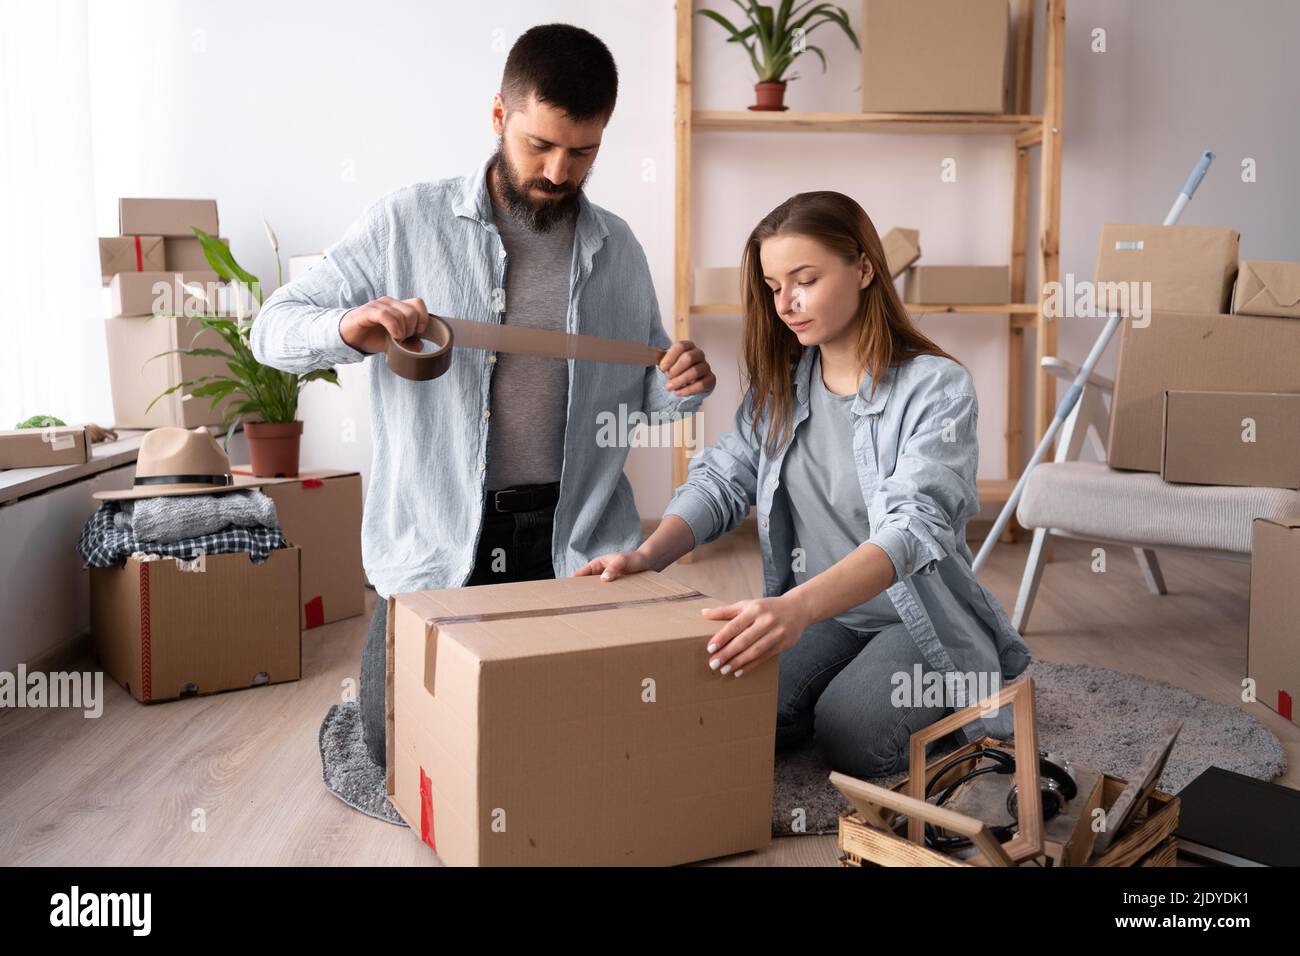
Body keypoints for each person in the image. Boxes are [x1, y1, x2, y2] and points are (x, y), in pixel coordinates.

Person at [252, 24, 715, 770]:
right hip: (442, 545)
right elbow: (270, 329)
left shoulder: (618, 249)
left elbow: (645, 402)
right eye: (540, 145)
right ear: (499, 115)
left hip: (577, 537)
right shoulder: (406, 221)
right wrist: (351, 324)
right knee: (395, 745)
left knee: (608, 744)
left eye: (584, 151)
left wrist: (679, 388)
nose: (560, 171)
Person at [577, 191, 1031, 779]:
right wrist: (646, 555)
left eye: (805, 280)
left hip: (914, 616)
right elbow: (722, 478)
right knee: (722, 704)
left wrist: (793, 609)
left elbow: (914, 527)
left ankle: (966, 696)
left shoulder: (937, 388)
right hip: (822, 615)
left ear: (864, 268)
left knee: (853, 736)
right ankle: (841, 686)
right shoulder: (782, 386)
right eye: (772, 286)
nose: (786, 303)